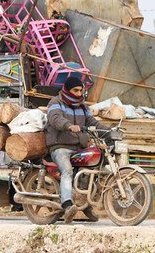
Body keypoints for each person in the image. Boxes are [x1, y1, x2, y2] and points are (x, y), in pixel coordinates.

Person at [46, 76, 107, 223]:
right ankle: (67, 205)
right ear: (67, 90)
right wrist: (68, 125)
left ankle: (85, 205)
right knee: (67, 170)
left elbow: (92, 122)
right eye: (76, 90)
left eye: (81, 90)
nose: (79, 94)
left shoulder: (82, 106)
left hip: (78, 147)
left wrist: (109, 131)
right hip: (60, 147)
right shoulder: (55, 103)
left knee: (92, 170)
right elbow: (55, 119)